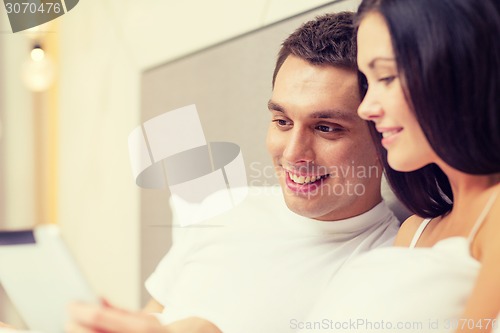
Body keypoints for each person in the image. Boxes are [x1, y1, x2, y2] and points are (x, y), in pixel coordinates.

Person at [66, 11, 402, 333]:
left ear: (382, 134)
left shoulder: (388, 269)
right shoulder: (223, 208)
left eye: (326, 128)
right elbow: (152, 318)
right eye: (282, 122)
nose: (293, 153)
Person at [298, 0, 500, 332]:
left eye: (387, 77)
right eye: (368, 81)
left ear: (458, 71)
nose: (365, 108)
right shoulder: (414, 232)